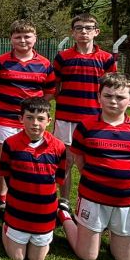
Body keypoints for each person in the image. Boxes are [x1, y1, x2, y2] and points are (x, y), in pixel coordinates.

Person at [57, 73, 130, 260]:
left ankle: (110, 227)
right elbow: (79, 159)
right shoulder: (86, 126)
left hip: (127, 201)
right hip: (93, 198)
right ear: (99, 97)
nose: (113, 101)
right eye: (107, 96)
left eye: (120, 97)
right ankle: (65, 216)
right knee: (87, 255)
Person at [0, 19, 56, 222]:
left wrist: (34, 112)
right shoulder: (0, 62)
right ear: (11, 39)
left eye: (27, 36)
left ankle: (25, 197)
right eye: (18, 36)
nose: (23, 40)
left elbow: (50, 91)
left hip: (33, 123)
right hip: (5, 120)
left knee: (30, 159)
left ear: (35, 38)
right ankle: (0, 201)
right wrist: (1, 109)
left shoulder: (44, 64)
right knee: (3, 162)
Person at [52, 13, 116, 207]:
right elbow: (55, 88)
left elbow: (111, 89)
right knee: (66, 162)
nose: (83, 32)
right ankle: (64, 201)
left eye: (88, 28)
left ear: (96, 32)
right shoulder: (63, 57)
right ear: (73, 33)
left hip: (94, 120)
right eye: (79, 28)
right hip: (65, 118)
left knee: (92, 162)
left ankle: (91, 201)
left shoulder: (106, 59)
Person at [0, 97, 66, 260]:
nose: (35, 123)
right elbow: (6, 174)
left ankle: (62, 217)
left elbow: (57, 179)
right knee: (17, 258)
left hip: (44, 215)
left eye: (41, 118)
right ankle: (6, 222)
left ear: (49, 121)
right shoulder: (11, 144)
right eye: (29, 117)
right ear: (21, 119)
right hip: (17, 212)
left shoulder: (58, 147)